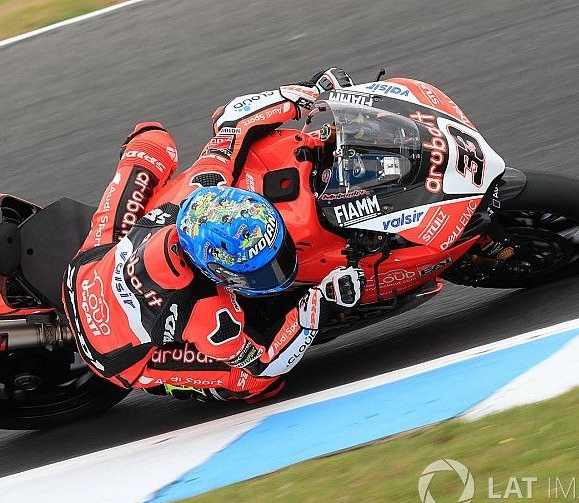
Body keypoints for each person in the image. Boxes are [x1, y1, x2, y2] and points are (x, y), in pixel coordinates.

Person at [63, 68, 364, 402]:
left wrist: (300, 95)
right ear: (215, 272)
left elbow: (234, 122)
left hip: (93, 264)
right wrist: (313, 310)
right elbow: (263, 362)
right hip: (115, 356)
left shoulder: (204, 185)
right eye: (259, 268)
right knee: (254, 386)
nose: (280, 265)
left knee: (152, 140)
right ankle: (186, 385)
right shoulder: (212, 316)